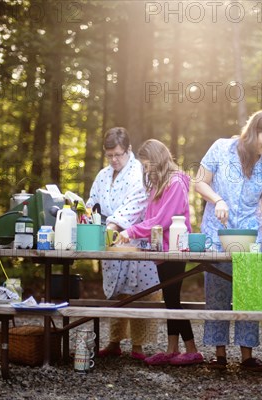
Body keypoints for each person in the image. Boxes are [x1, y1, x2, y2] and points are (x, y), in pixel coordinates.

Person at [194, 109, 262, 372]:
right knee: (216, 290)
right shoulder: (221, 149)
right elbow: (200, 182)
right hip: (217, 230)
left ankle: (247, 356)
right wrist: (218, 200)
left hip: (249, 235)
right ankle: (219, 354)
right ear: (253, 130)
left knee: (249, 291)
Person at [118, 139, 203, 366]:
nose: (146, 170)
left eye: (148, 165)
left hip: (174, 249)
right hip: (162, 250)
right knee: (170, 299)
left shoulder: (175, 183)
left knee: (173, 299)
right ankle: (172, 349)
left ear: (158, 160)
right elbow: (150, 218)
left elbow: (163, 220)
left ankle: (192, 349)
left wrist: (132, 231)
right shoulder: (160, 183)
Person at [86, 127, 160, 361]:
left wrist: (112, 226)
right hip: (109, 239)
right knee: (117, 292)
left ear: (128, 149)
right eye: (109, 156)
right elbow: (92, 202)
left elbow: (133, 206)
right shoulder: (103, 175)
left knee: (140, 291)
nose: (114, 160)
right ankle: (114, 342)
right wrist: (90, 218)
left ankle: (138, 347)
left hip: (134, 236)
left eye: (118, 154)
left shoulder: (139, 172)